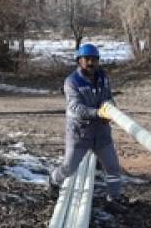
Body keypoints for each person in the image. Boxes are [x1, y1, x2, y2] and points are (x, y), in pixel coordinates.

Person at [48, 43, 127, 213]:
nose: (91, 63)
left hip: (101, 132)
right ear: (79, 61)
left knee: (112, 167)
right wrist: (99, 113)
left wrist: (110, 107)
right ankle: (54, 180)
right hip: (80, 132)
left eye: (94, 60)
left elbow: (108, 97)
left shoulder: (103, 78)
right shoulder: (71, 82)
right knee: (69, 167)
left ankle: (113, 199)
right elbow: (76, 108)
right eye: (87, 60)